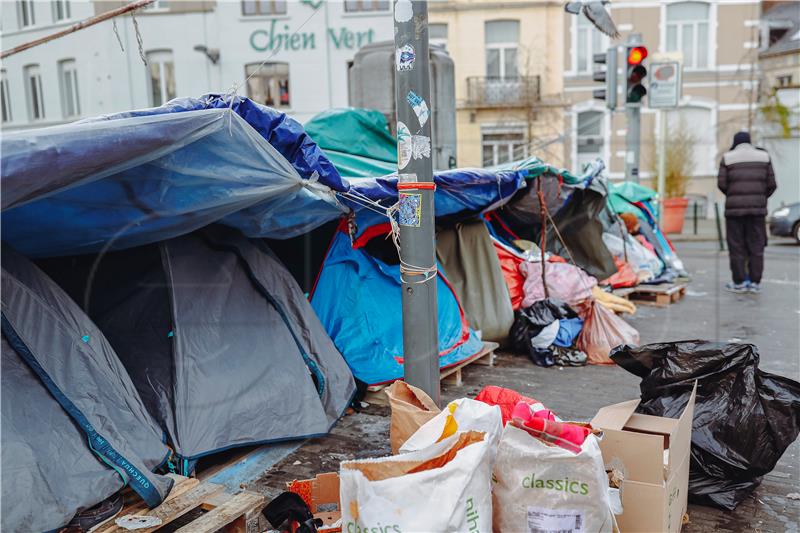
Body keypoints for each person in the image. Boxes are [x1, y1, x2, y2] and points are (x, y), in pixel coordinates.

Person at [717, 131, 776, 293]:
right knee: (756, 246)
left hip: (734, 213)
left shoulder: (728, 158)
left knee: (736, 246)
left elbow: (721, 184)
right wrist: (761, 198)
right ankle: (755, 282)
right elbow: (772, 184)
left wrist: (733, 196)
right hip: (757, 211)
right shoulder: (764, 157)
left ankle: (739, 282)